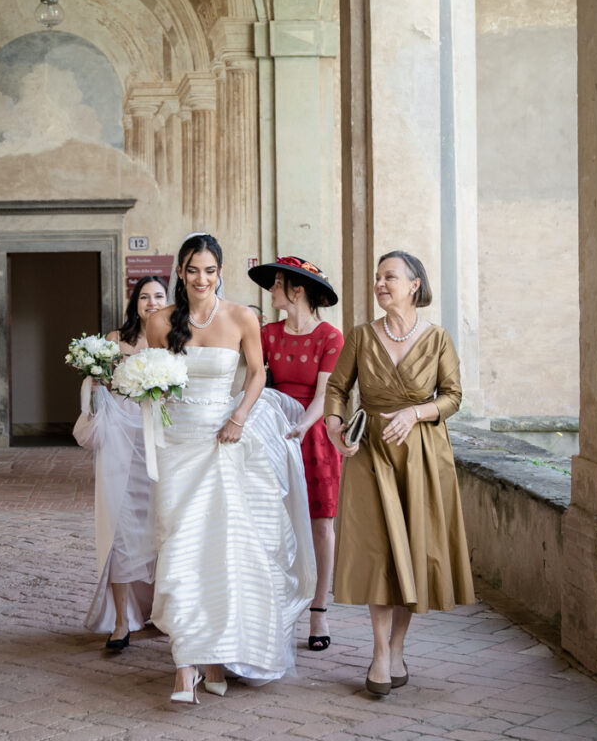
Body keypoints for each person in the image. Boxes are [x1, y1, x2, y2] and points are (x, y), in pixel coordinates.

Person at [146, 233, 316, 704]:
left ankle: (213, 657)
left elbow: (258, 373)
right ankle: (186, 663)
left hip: (224, 441)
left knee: (220, 550)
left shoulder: (243, 316)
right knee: (179, 547)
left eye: (210, 270)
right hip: (179, 444)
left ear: (220, 272)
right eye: (193, 269)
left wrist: (239, 417)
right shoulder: (159, 321)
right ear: (180, 271)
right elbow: (155, 380)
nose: (201, 279)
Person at [323, 251, 475, 696]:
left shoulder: (439, 339)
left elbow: (452, 396)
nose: (380, 284)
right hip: (371, 452)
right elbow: (337, 388)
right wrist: (335, 428)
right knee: (377, 554)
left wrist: (416, 413)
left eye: (389, 276)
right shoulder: (360, 336)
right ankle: (377, 652)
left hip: (422, 457)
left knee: (408, 551)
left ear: (414, 284)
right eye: (377, 277)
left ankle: (397, 648)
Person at [248, 256, 344, 651]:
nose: (270, 291)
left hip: (314, 435)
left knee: (321, 525)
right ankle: (279, 606)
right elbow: (253, 380)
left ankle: (318, 610)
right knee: (273, 520)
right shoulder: (266, 333)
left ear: (297, 290)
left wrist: (302, 427)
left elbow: (325, 394)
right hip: (273, 433)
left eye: (276, 284)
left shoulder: (330, 337)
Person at [73, 275, 168, 651]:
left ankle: (164, 611)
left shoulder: (176, 340)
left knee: (162, 526)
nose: (151, 302)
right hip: (120, 439)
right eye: (144, 296)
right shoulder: (115, 341)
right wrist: (96, 383)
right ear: (135, 303)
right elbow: (100, 385)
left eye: (159, 296)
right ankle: (120, 620)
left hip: (159, 439)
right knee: (121, 527)